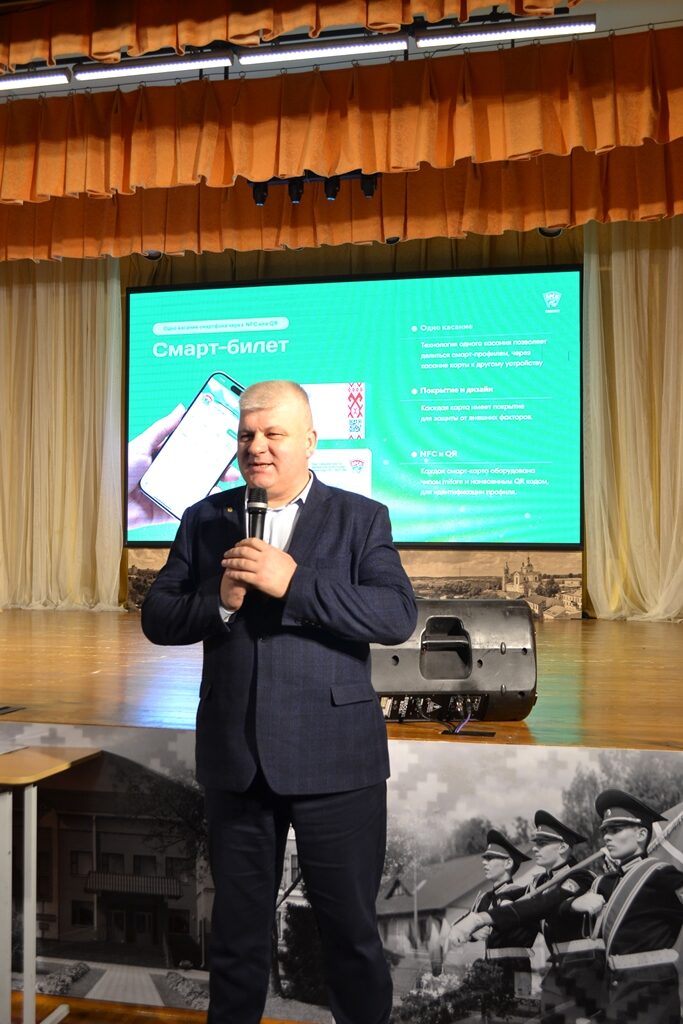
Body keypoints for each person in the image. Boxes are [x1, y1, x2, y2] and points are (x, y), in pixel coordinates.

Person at [141, 379, 418, 1024]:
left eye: (274, 434)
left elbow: (395, 614)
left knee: (350, 940)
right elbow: (157, 616)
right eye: (246, 434)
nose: (257, 447)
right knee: (235, 944)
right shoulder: (204, 518)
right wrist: (218, 602)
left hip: (336, 762)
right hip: (236, 764)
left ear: (310, 441)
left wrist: (294, 583)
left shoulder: (360, 518)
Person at [448, 811, 600, 1023]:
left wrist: (480, 919)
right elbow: (511, 895)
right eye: (535, 842)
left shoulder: (580, 876)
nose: (535, 848)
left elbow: (544, 904)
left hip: (584, 968)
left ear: (563, 847)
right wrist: (505, 900)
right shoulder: (539, 882)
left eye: (542, 843)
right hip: (558, 968)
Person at [571, 789, 683, 1024]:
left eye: (616, 830)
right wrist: (573, 903)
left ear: (641, 834)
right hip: (613, 995)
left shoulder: (661, 875)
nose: (606, 837)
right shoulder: (605, 883)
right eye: (605, 831)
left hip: (652, 1003)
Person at [468, 829, 537, 999]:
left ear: (508, 863)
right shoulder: (484, 899)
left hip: (517, 968)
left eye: (490, 858)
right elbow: (463, 927)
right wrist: (473, 932)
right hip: (490, 968)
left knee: (517, 1011)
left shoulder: (522, 894)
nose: (484, 863)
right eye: (485, 858)